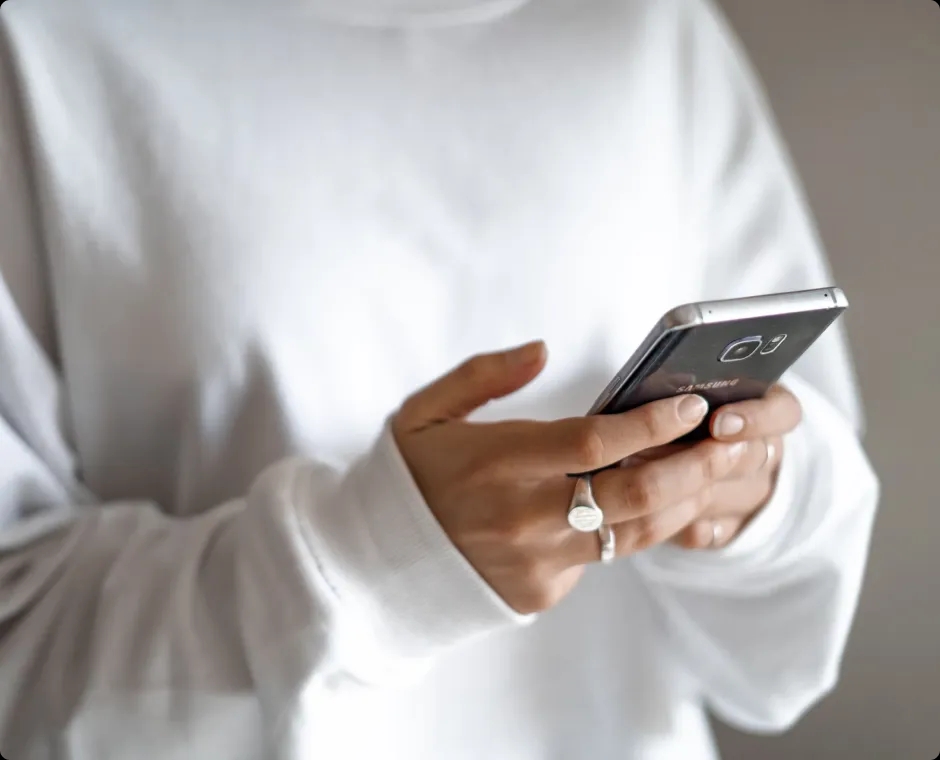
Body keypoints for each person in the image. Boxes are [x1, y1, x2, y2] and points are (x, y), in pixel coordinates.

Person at [0, 0, 878, 757]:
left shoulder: (649, 31)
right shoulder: (44, 40)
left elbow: (784, 659)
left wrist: (747, 498)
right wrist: (372, 560)